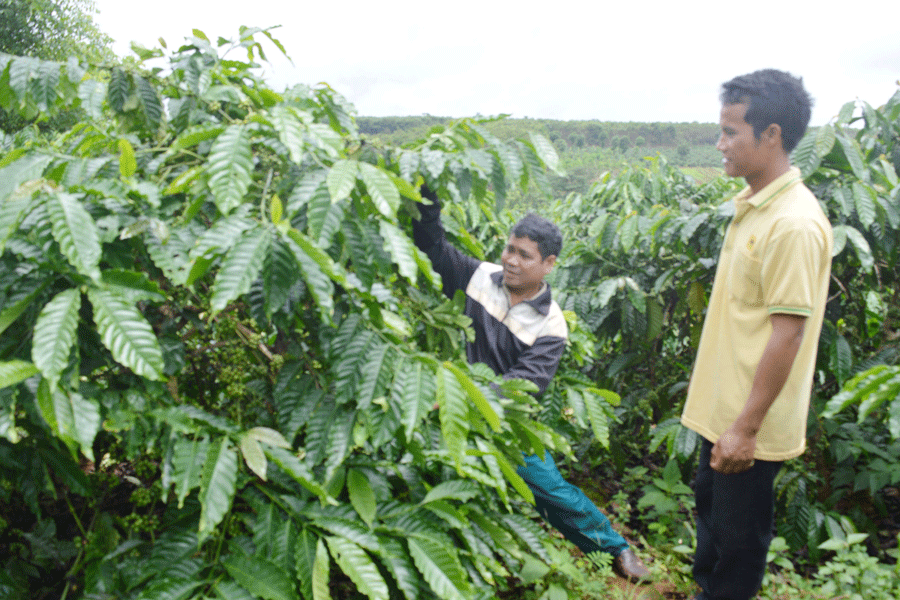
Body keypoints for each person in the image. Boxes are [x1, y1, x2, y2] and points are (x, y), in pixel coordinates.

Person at [412, 189, 650, 581]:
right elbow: (433, 248)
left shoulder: (551, 324)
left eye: (525, 255)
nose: (511, 261)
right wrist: (427, 201)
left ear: (549, 264)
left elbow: (526, 384)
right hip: (446, 396)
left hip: (506, 418)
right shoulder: (479, 278)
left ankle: (615, 548)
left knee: (548, 487)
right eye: (509, 249)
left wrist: (465, 400)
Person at [680, 69, 833, 600]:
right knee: (714, 539)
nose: (720, 144)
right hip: (722, 414)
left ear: (771, 135)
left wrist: (744, 430)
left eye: (730, 133)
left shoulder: (793, 223)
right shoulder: (753, 207)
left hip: (747, 424)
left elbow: (787, 335)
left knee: (737, 551)